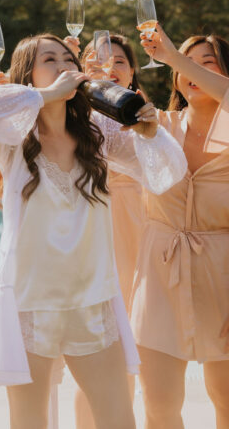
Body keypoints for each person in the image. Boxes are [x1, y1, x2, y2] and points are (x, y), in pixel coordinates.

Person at [0, 33, 187, 429]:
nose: (65, 66)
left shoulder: (98, 134)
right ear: (28, 78)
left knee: (119, 419)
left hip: (92, 301)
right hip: (30, 303)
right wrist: (46, 96)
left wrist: (151, 135)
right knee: (30, 421)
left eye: (69, 59)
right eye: (50, 60)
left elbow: (167, 174)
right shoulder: (14, 140)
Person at [131, 24, 229, 429]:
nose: (193, 71)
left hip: (223, 277)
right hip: (159, 275)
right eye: (187, 64)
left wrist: (174, 54)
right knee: (160, 405)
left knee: (226, 399)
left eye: (207, 63)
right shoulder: (158, 126)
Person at [69, 34, 147, 428]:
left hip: (137, 235)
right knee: (93, 352)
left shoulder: (146, 118)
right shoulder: (71, 115)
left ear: (132, 72)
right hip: (87, 236)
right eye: (99, 59)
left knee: (132, 350)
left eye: (120, 61)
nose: (110, 67)